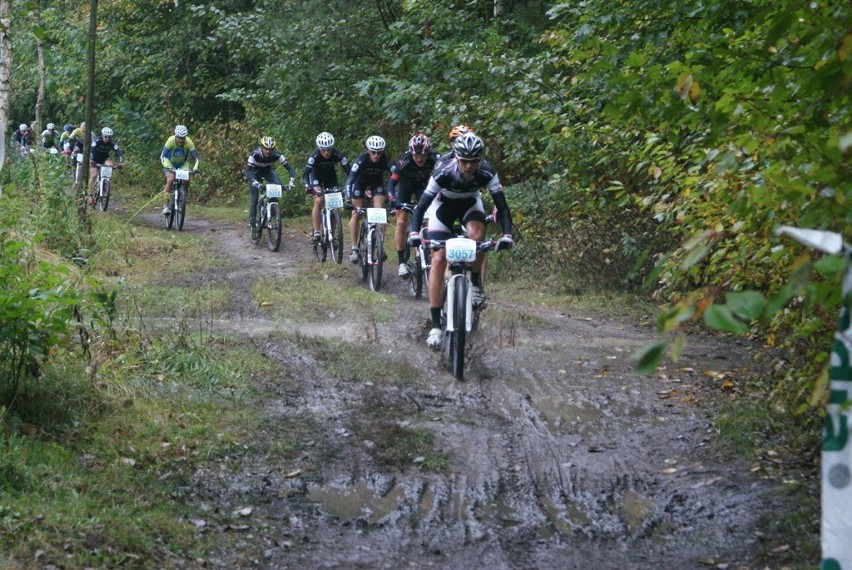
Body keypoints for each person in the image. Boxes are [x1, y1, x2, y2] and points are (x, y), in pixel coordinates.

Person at [408, 132, 514, 349]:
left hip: (469, 204)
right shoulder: (442, 171)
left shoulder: (486, 172)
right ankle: (436, 325)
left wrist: (507, 234)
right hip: (442, 207)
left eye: (473, 161)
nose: (468, 166)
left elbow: (502, 206)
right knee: (438, 258)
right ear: (456, 157)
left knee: (478, 238)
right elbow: (421, 206)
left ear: (479, 160)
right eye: (464, 161)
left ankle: (475, 283)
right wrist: (414, 233)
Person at [387, 133, 439, 277]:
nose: (420, 159)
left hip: (423, 188)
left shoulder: (435, 158)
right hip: (404, 188)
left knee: (426, 220)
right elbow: (392, 183)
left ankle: (425, 252)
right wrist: (392, 198)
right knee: (402, 221)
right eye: (416, 155)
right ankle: (401, 263)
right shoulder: (404, 161)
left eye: (423, 155)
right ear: (411, 153)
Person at [344, 135, 392, 263]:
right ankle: (354, 248)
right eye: (373, 152)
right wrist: (348, 198)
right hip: (360, 184)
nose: (376, 155)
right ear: (368, 151)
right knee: (356, 213)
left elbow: (396, 175)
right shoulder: (361, 160)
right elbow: (350, 179)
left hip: (377, 184)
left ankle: (380, 245)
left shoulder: (385, 160)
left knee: (380, 211)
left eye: (379, 152)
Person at [245, 136, 298, 240]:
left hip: (268, 171)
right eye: (266, 149)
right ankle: (253, 225)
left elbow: (290, 168)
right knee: (254, 198)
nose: (268, 151)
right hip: (254, 173)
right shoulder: (255, 154)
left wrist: (291, 181)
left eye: (270, 149)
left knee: (277, 188)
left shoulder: (277, 154)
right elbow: (248, 171)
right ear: (262, 148)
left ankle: (271, 210)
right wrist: (253, 181)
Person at [302, 132, 351, 242]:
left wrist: (349, 187)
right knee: (319, 200)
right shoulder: (314, 156)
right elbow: (305, 174)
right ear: (319, 149)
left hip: (330, 177)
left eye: (329, 149)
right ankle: (317, 232)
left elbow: (350, 172)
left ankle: (331, 235)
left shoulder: (338, 154)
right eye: (323, 150)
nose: (326, 152)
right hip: (315, 176)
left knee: (334, 204)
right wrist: (307, 186)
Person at [160, 125, 200, 215]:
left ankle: (182, 196)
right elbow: (163, 155)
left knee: (187, 179)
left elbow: (195, 157)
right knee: (170, 180)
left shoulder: (189, 142)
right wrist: (167, 166)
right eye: (179, 138)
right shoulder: (170, 141)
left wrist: (195, 167)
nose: (181, 140)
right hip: (169, 163)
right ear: (175, 136)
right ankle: (165, 206)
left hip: (182, 164)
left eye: (183, 138)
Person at [86, 127, 124, 201]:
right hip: (94, 159)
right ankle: (89, 194)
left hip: (104, 159)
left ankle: (105, 183)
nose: (107, 138)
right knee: (94, 175)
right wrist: (90, 160)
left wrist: (120, 162)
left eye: (109, 137)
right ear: (102, 135)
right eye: (105, 136)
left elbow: (118, 153)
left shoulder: (112, 143)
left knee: (110, 165)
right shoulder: (96, 141)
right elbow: (91, 151)